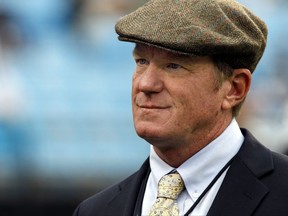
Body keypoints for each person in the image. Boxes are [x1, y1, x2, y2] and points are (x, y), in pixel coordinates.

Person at [73, 0, 288, 215]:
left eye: (173, 66)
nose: (146, 84)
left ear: (234, 88)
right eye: (141, 62)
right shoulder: (94, 211)